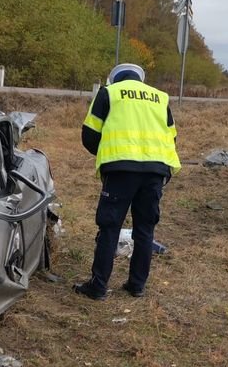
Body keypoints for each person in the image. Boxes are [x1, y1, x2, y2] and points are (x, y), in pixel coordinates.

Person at [73, 63, 180, 301]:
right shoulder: (160, 97)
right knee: (145, 230)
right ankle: (137, 286)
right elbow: (172, 137)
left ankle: (98, 286)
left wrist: (108, 155)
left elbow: (89, 134)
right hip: (155, 171)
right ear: (140, 80)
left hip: (120, 171)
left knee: (110, 227)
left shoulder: (109, 93)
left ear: (114, 79)